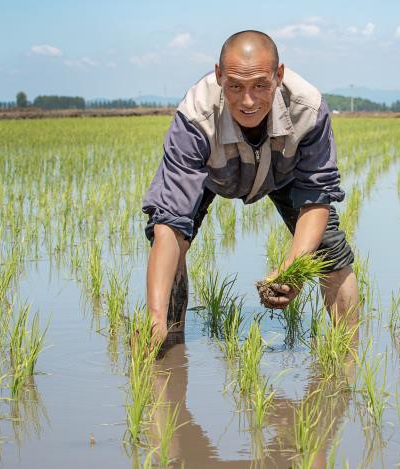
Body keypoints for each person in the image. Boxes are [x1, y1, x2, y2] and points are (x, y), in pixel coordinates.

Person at [142, 30, 358, 343]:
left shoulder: (307, 108)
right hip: (212, 172)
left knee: (330, 253)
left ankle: (346, 356)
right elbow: (169, 222)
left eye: (260, 85)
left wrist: (293, 269)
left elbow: (315, 197)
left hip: (285, 171)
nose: (247, 100)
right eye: (235, 86)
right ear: (218, 76)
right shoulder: (194, 116)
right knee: (173, 244)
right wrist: (155, 318)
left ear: (279, 75)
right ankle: (167, 343)